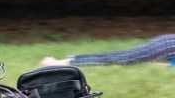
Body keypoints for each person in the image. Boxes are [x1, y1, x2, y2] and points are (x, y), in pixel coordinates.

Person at [40, 34, 175, 67]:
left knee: (114, 57)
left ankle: (64, 61)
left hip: (165, 43)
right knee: (114, 59)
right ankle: (60, 63)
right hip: (163, 48)